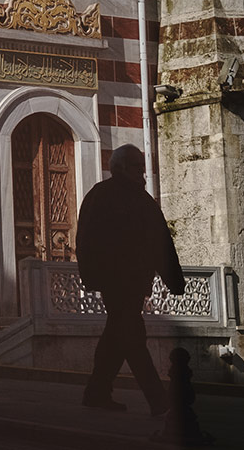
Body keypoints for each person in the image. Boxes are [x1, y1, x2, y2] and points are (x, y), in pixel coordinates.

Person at [75, 144, 185, 414]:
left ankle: (97, 392)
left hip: (119, 281)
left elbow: (84, 241)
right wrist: (175, 280)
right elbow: (161, 244)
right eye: (137, 167)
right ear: (122, 168)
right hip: (124, 281)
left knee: (116, 334)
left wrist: (92, 276)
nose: (143, 173)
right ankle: (159, 402)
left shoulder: (100, 195)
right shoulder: (135, 199)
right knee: (133, 336)